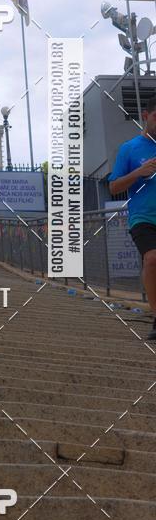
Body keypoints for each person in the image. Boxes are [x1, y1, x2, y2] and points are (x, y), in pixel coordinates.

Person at [109, 95, 156, 340]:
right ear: (146, 117)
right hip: (143, 217)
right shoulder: (130, 148)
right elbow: (114, 187)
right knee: (152, 260)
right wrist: (139, 172)